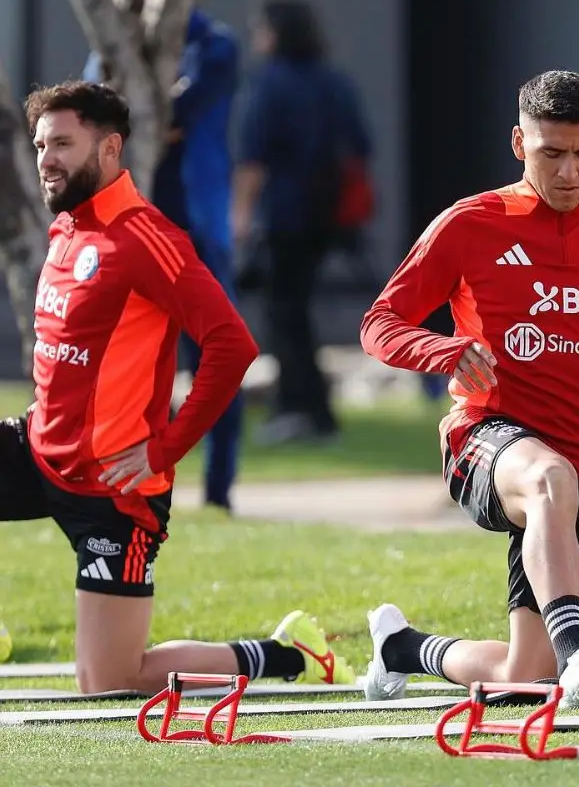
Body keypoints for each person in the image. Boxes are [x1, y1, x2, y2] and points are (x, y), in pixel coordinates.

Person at [359, 70, 579, 708]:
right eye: (552, 154)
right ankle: (578, 658)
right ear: (520, 143)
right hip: (488, 439)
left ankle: (402, 648)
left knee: (524, 678)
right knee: (549, 477)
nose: (570, 172)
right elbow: (379, 325)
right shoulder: (470, 224)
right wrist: (443, 350)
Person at [10, 80, 352, 694]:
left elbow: (233, 344)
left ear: (110, 147)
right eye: (40, 144)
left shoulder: (148, 239)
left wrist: (164, 450)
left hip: (114, 492)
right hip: (40, 453)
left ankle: (288, 655)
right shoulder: (67, 227)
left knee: (108, 682)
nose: (46, 159)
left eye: (62, 142)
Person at [84, 0, 245, 512]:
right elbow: (91, 115)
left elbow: (163, 116)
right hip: (126, 224)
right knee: (113, 356)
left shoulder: (215, 46)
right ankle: (99, 478)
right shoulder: (112, 48)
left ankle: (218, 492)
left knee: (215, 355)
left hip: (195, 224)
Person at [232, 0, 373, 446]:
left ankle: (299, 408)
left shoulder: (269, 84)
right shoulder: (335, 83)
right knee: (297, 310)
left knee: (283, 313)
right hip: (328, 213)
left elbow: (254, 158)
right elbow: (361, 146)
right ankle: (314, 410)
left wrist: (241, 214)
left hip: (284, 213)